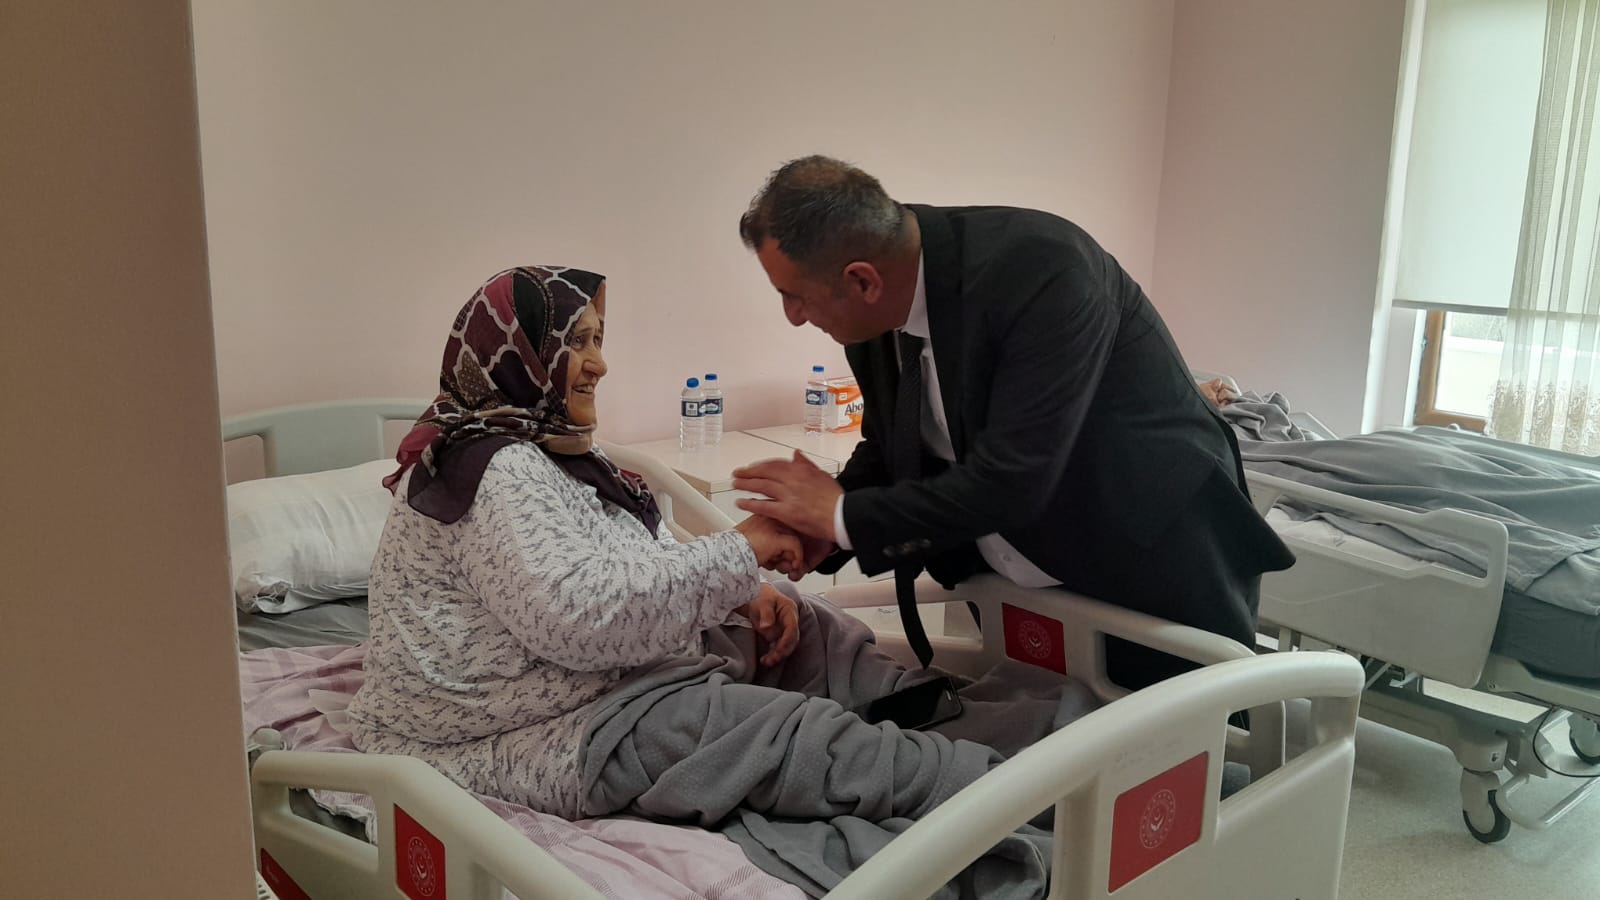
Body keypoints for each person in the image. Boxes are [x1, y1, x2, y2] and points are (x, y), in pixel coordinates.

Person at [344, 265, 1040, 829]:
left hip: (610, 678)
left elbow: (631, 566)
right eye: (578, 342)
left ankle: (951, 717)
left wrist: (744, 589)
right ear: (522, 354)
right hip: (522, 731)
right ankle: (1001, 794)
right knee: (750, 729)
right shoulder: (488, 468)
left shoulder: (558, 457)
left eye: (598, 340)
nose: (599, 364)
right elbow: (583, 619)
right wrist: (741, 551)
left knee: (803, 628)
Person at [731, 156, 1295, 689]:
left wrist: (840, 515)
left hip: (1149, 555)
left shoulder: (1044, 269)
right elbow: (894, 447)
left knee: (1177, 742)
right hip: (1023, 565)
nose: (793, 317)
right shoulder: (879, 312)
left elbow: (1014, 479)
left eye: (793, 296)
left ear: (862, 281)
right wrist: (818, 531)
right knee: (1044, 728)